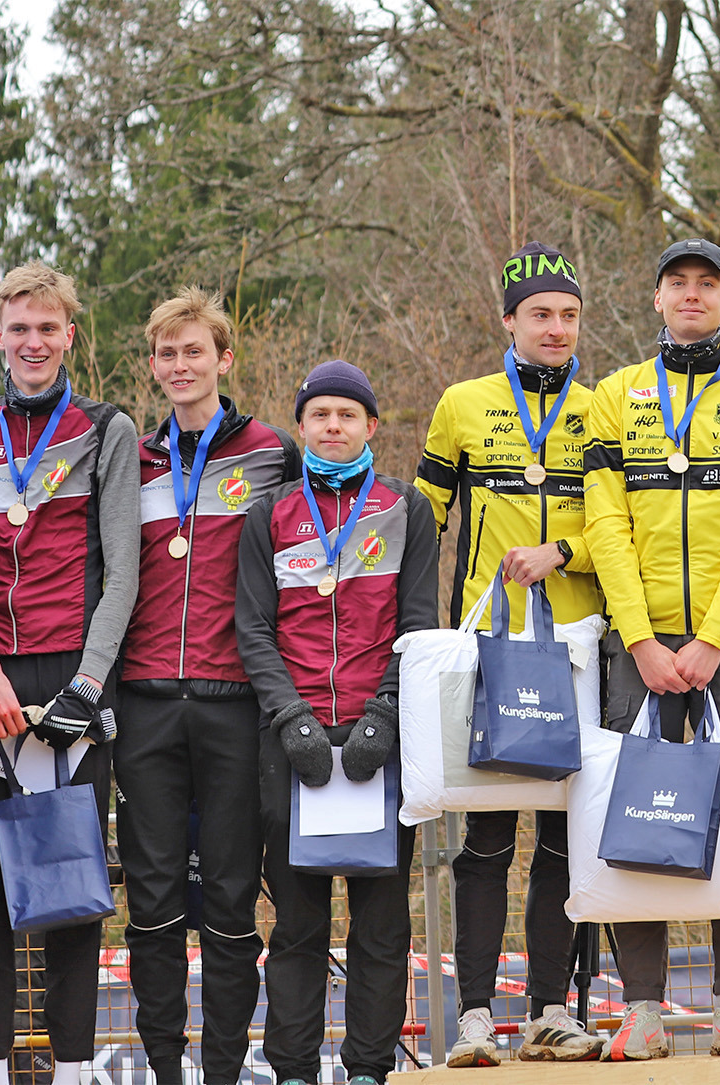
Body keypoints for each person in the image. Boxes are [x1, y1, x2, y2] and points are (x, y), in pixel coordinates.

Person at [581, 238, 720, 1060]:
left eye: (709, 284)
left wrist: (710, 637)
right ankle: (641, 1006)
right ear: (657, 299)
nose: (694, 296)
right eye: (679, 284)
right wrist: (639, 636)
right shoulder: (613, 396)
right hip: (637, 639)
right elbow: (605, 522)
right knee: (634, 808)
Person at [0, 263, 140, 1085]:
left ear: (69, 336)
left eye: (48, 328)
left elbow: (123, 571)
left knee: (71, 878)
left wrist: (89, 686)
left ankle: (75, 1070)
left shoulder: (106, 428)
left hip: (71, 676)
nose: (33, 342)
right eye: (19, 327)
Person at [414, 242, 605, 1066]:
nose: (556, 328)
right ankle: (476, 1014)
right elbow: (420, 526)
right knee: (485, 841)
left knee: (566, 840)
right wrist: (427, 637)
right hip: (488, 652)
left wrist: (563, 550)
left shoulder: (607, 410)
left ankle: (555, 1008)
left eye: (568, 315)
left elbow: (623, 530)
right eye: (541, 315)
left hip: (577, 652)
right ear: (509, 322)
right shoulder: (462, 404)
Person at [236, 360, 439, 1085]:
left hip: (380, 743)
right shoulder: (271, 513)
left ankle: (367, 1069)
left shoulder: (406, 508)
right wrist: (289, 718)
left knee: (380, 926)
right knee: (296, 925)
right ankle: (292, 1069)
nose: (332, 425)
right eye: (319, 414)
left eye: (347, 415)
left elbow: (418, 624)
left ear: (371, 426)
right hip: (289, 749)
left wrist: (384, 711)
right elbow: (253, 629)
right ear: (301, 426)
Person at [120, 288, 299, 1085]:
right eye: (167, 353)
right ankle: (165, 1068)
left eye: (195, 351)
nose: (181, 365)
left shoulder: (271, 451)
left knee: (230, 905)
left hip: (236, 706)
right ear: (153, 365)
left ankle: (223, 1070)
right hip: (147, 701)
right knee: (153, 904)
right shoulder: (130, 456)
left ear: (224, 358)